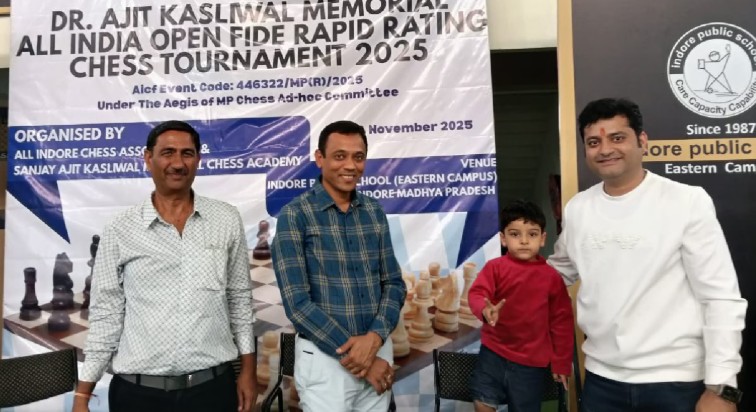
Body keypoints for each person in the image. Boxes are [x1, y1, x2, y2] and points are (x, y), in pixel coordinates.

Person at [548, 98, 747, 411]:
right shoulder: (578, 208)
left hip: (676, 381)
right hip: (601, 380)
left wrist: (722, 388)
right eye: (594, 142)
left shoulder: (686, 201)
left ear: (642, 141)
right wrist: (499, 285)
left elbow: (720, 297)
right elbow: (555, 273)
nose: (605, 149)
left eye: (617, 138)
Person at [73, 121, 258, 412]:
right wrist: (83, 394)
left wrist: (248, 370)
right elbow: (106, 314)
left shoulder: (226, 219)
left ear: (198, 159)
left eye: (187, 153)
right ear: (148, 158)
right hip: (138, 395)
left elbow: (239, 300)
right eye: (168, 152)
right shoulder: (121, 228)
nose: (178, 163)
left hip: (212, 390)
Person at [271, 120, 406, 411]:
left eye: (358, 157)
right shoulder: (294, 216)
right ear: (320, 159)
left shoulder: (374, 211)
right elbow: (297, 304)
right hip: (326, 363)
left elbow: (394, 284)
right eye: (339, 156)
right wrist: (359, 357)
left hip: (378, 353)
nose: (350, 166)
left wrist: (374, 339)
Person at [468, 200, 574, 412]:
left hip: (531, 362)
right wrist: (485, 310)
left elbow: (561, 322)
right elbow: (477, 293)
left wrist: (561, 362)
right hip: (493, 353)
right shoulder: (495, 268)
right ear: (503, 239)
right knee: (483, 402)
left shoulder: (551, 277)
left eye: (532, 234)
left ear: (542, 239)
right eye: (515, 234)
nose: (524, 241)